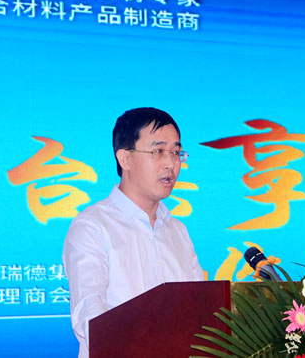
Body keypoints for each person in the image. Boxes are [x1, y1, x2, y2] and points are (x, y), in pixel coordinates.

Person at [62, 107, 204, 358]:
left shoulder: (177, 230)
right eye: (158, 151)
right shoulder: (92, 226)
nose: (170, 164)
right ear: (125, 159)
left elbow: (200, 308)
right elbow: (89, 313)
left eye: (175, 153)